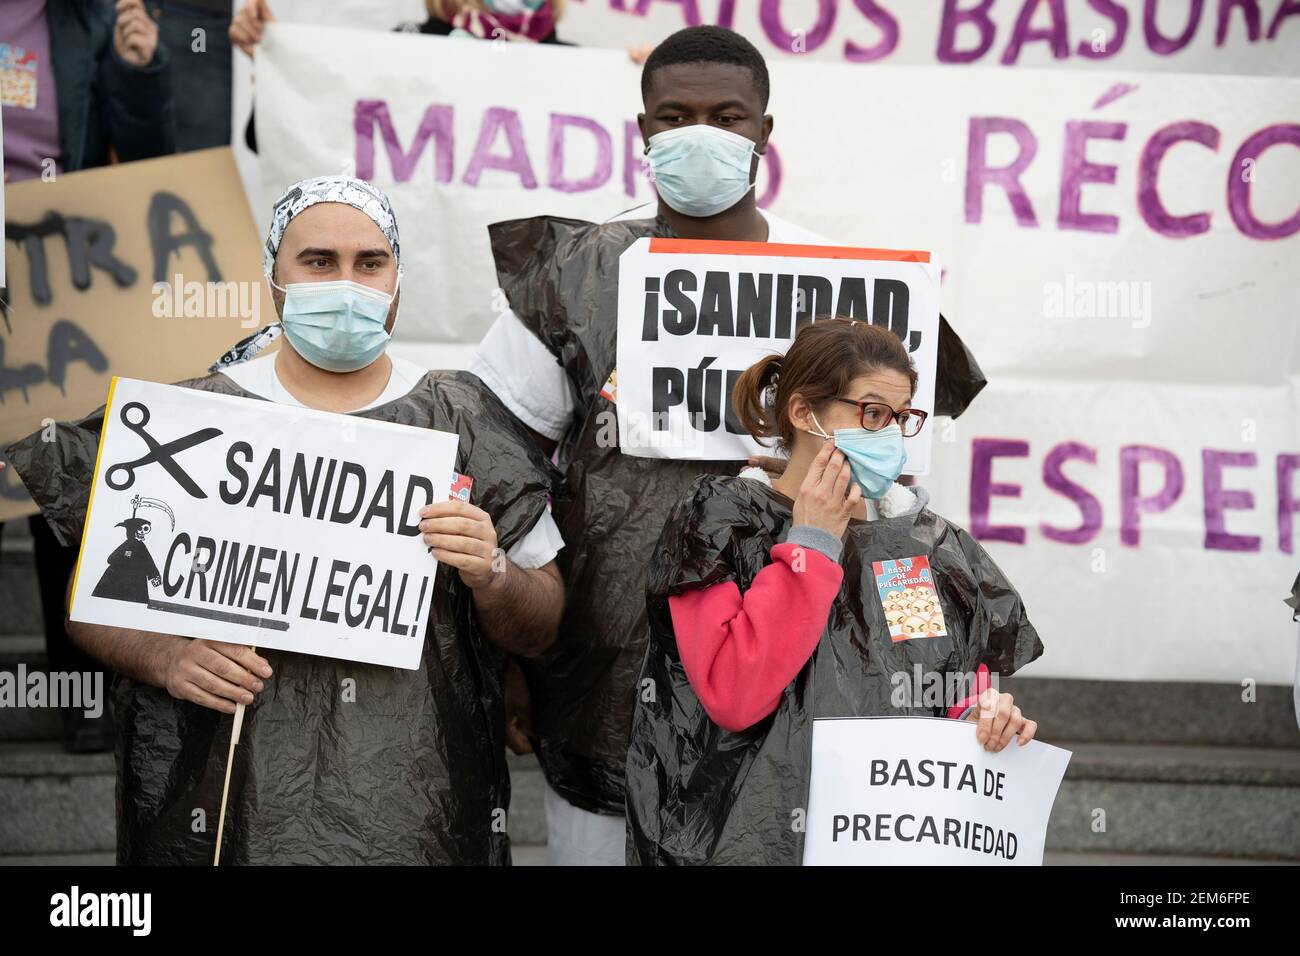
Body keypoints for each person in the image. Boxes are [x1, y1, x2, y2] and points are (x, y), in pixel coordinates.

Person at [473, 25, 986, 865]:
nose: (698, 134)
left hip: (816, 674)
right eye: (673, 117)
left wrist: (951, 687)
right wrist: (519, 641)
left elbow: (904, 491)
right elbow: (498, 450)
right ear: (642, 133)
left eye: (726, 116)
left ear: (764, 132)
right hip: (606, 674)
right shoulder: (577, 275)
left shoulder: (850, 279)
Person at [4, 176, 566, 865]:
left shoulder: (467, 420)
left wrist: (494, 572)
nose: (346, 284)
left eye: (370, 263)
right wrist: (168, 655)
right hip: (230, 816)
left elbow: (543, 619)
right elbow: (91, 608)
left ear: (398, 279)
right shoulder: (192, 421)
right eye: (318, 262)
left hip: (418, 815)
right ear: (274, 275)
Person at [626, 318, 1043, 865]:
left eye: (901, 417)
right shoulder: (723, 519)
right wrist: (812, 546)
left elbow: (936, 682)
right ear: (803, 413)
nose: (889, 434)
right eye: (871, 412)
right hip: (741, 841)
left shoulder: (912, 544)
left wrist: (981, 716)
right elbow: (734, 695)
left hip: (880, 841)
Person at [0, 0, 176, 753]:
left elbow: (144, 158)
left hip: (52, 282)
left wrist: (139, 73)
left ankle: (84, 689)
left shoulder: (91, 20)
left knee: (55, 479)